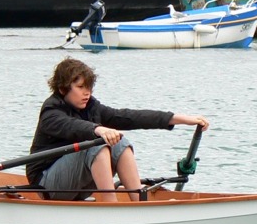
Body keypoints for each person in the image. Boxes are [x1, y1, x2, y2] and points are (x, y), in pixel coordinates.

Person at [27, 57, 209, 202]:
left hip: (77, 186)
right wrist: (98, 130)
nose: (87, 92)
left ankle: (139, 203)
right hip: (47, 185)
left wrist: (178, 119)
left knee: (120, 142)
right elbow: (71, 126)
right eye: (80, 87)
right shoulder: (51, 111)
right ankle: (112, 207)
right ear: (62, 88)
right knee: (96, 145)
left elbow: (129, 117)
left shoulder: (91, 107)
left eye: (89, 87)